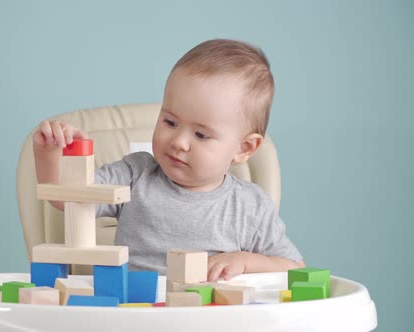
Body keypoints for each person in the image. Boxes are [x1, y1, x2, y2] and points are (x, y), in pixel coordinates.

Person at [33, 39, 305, 281]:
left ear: (244, 148)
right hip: (137, 311)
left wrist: (246, 262)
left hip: (209, 316)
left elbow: (295, 268)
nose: (179, 142)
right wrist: (50, 152)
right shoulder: (135, 174)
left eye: (201, 134)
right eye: (170, 122)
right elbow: (68, 198)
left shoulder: (250, 206)